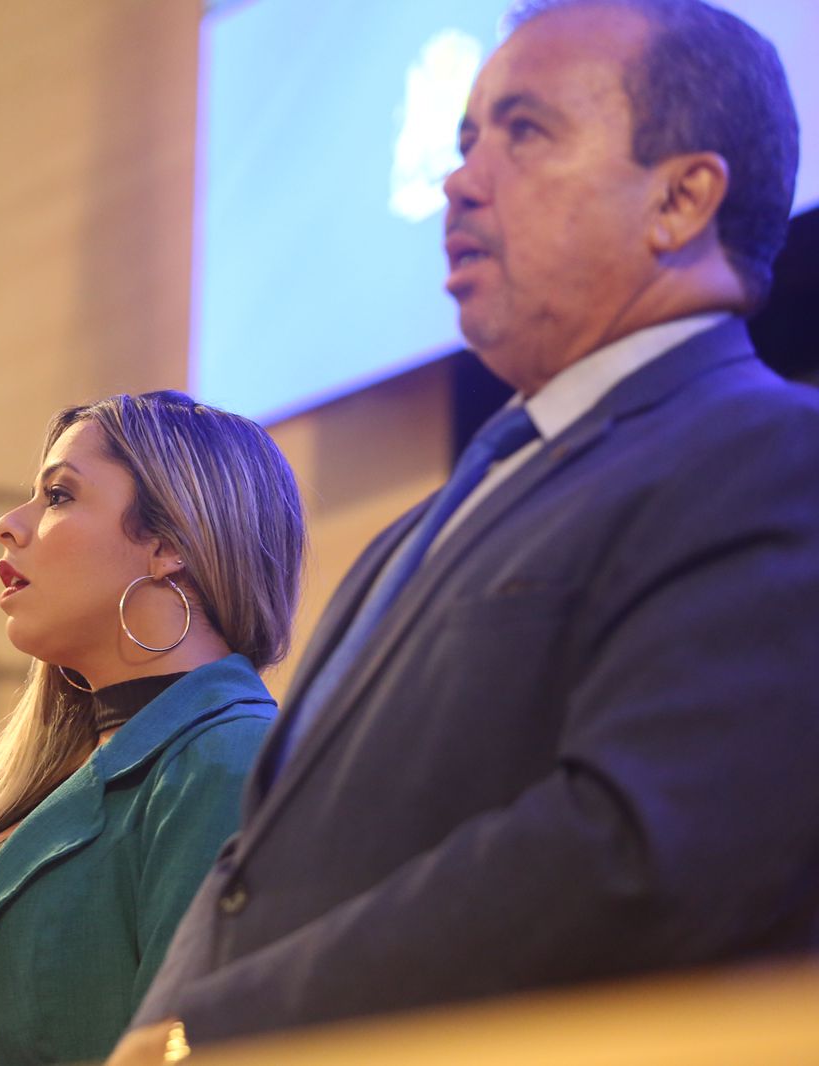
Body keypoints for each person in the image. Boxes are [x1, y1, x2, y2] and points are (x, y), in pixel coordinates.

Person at [113, 0, 819, 1060]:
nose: (457, 180)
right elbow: (251, 874)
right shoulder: (413, 533)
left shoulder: (773, 455)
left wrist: (209, 1034)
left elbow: (631, 852)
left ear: (680, 199)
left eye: (524, 131)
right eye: (464, 138)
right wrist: (159, 1036)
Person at [0, 391, 306, 1065]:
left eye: (58, 496)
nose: (7, 524)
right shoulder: (57, 770)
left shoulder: (229, 759)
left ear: (169, 545)